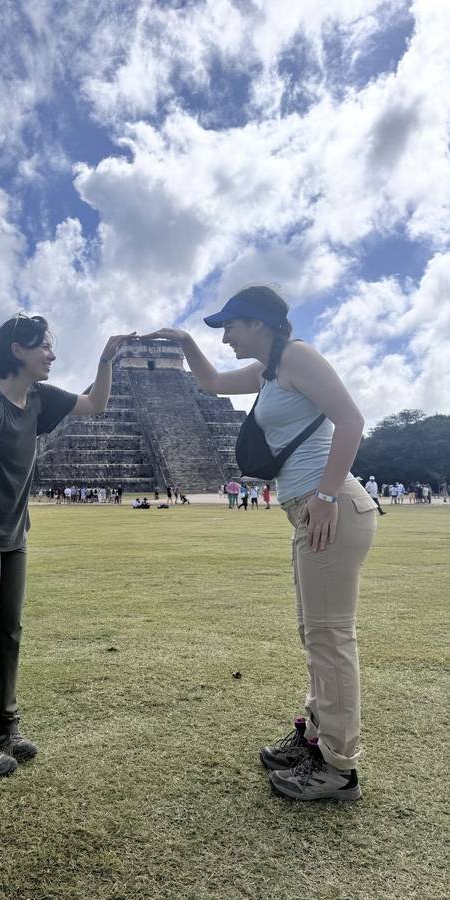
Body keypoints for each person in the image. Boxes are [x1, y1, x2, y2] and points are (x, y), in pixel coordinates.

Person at [144, 284, 377, 801]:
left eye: (231, 326)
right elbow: (210, 383)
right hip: (310, 512)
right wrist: (185, 342)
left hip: (331, 509)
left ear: (259, 323)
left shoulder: (297, 356)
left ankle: (339, 767)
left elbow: (352, 420)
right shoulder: (269, 371)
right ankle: (315, 739)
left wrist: (326, 495)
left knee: (331, 638)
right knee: (314, 634)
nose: (225, 336)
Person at [0, 313, 131, 779]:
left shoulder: (40, 398)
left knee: (9, 633)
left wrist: (105, 359)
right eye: (44, 346)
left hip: (14, 535)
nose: (52, 355)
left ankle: (4, 728)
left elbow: (96, 404)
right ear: (17, 350)